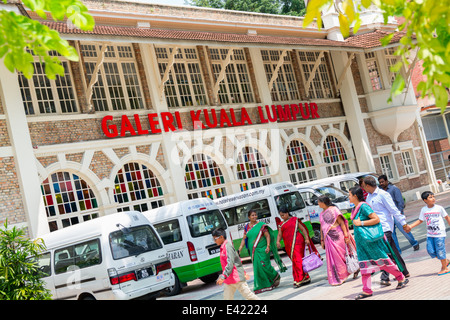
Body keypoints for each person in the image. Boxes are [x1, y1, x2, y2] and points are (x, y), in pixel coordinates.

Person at [349, 186, 408, 299]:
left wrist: (360, 223)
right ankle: (366, 290)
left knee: (384, 263)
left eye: (349, 195)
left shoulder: (364, 206)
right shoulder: (355, 208)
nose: (348, 197)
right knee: (364, 267)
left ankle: (401, 277)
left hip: (371, 242)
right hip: (362, 244)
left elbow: (376, 219)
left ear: (355, 196)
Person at [362, 176, 410, 286]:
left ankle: (386, 277)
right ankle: (404, 272)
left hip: (385, 227)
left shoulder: (383, 194)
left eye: (364, 186)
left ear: (368, 186)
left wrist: (404, 223)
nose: (363, 189)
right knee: (392, 251)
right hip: (376, 229)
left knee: (383, 252)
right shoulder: (368, 197)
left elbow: (394, 210)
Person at [238, 209, 287, 294]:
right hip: (253, 251)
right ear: (249, 217)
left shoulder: (261, 225)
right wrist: (240, 249)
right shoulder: (246, 227)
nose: (254, 217)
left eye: (255, 215)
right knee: (258, 268)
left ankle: (275, 276)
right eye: (252, 215)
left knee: (264, 265)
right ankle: (264, 284)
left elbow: (267, 236)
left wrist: (268, 246)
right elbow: (244, 238)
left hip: (263, 248)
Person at [404, 191, 450, 276]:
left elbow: (447, 217)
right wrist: (410, 226)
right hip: (430, 234)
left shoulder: (439, 208)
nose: (433, 198)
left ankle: (445, 268)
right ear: (425, 200)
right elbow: (420, 220)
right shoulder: (424, 210)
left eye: (433, 196)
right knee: (430, 251)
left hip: (440, 234)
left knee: (440, 251)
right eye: (430, 197)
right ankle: (446, 261)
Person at [318, 195, 359, 286]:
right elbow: (322, 227)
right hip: (328, 238)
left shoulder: (334, 209)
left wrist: (346, 235)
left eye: (319, 202)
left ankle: (350, 270)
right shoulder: (321, 214)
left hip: (337, 235)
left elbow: (341, 222)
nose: (318, 203)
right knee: (335, 258)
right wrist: (321, 239)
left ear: (324, 202)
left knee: (342, 255)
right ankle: (340, 276)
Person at [275, 206, 317, 288]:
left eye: (283, 215)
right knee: (295, 261)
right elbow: (280, 234)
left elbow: (303, 229)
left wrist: (307, 238)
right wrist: (278, 241)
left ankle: (300, 279)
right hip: (288, 244)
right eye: (281, 216)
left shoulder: (295, 220)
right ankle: (305, 278)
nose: (282, 217)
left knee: (298, 259)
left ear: (287, 213)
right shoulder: (281, 224)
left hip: (297, 241)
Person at [212, 228, 260, 300]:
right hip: (229, 279)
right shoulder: (223, 247)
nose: (214, 241)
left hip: (236, 277)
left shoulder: (228, 247)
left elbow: (230, 263)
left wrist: (223, 276)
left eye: (215, 239)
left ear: (221, 237)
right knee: (227, 298)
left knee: (249, 296)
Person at [378, 174, 420, 252]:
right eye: (380, 182)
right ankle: (398, 251)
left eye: (382, 182)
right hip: (388, 216)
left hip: (397, 215)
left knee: (405, 230)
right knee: (392, 235)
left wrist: (399, 214)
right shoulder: (380, 192)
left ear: (387, 181)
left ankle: (414, 243)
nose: (381, 184)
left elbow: (400, 202)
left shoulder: (394, 189)